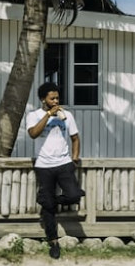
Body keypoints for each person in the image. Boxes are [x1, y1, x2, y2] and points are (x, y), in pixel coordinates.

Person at [26, 81, 84, 259]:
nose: (56, 101)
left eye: (57, 98)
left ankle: (48, 200)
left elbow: (75, 138)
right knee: (49, 208)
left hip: (64, 163)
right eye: (52, 98)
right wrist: (49, 115)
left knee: (74, 195)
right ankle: (53, 242)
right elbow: (33, 134)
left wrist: (74, 159)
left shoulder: (67, 115)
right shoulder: (34, 115)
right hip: (44, 165)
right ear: (43, 99)